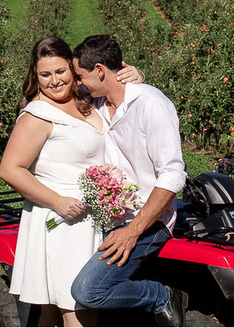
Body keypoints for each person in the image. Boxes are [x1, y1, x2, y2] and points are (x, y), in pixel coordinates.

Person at [0, 37, 144, 327]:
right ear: (35, 75)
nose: (54, 81)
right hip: (61, 220)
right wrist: (58, 202)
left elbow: (114, 94)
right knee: (78, 309)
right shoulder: (38, 115)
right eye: (45, 74)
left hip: (90, 217)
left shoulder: (84, 97)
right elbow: (10, 170)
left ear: (73, 69)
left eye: (60, 71)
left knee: (53, 311)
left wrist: (135, 76)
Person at [69, 35, 189, 327]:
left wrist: (132, 231)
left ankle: (163, 296)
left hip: (147, 220)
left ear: (99, 71)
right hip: (107, 215)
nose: (78, 83)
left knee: (87, 291)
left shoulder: (151, 104)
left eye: (81, 76)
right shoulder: (97, 104)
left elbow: (173, 175)